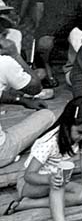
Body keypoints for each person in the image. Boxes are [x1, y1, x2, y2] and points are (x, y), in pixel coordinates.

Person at [5, 96, 82, 221]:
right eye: (80, 132)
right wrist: (49, 179)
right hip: (28, 183)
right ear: (67, 123)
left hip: (51, 181)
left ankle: (28, 204)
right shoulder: (49, 142)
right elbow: (29, 175)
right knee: (59, 182)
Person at [0, 34, 55, 168]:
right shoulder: (4, 62)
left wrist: (21, 100)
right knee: (47, 115)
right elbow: (36, 88)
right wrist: (15, 54)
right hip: (2, 153)